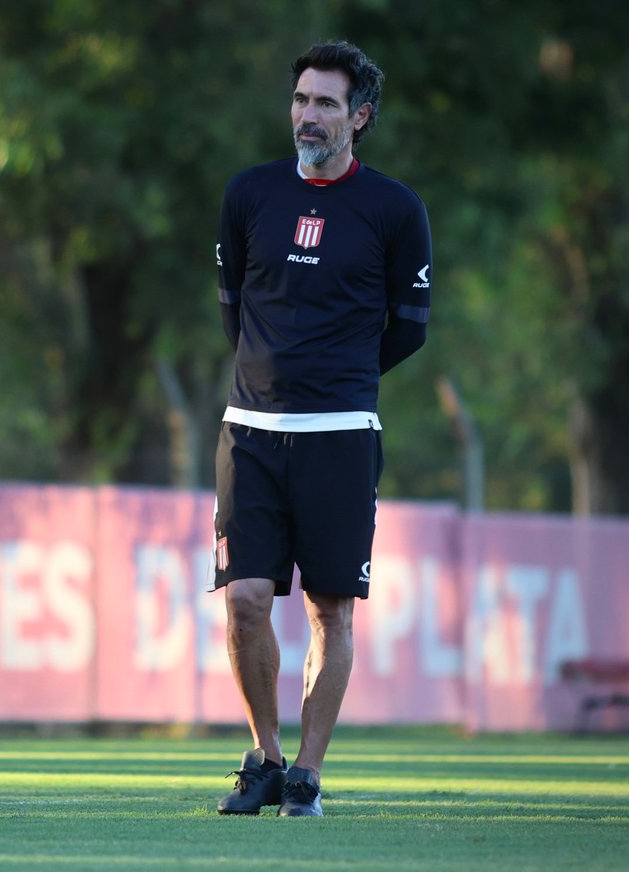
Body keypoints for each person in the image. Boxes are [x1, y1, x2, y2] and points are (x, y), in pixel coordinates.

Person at [210, 40, 432, 817]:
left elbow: (409, 329)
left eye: (326, 103)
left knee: (329, 610)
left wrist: (340, 377)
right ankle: (265, 758)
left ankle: (306, 772)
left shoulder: (395, 210)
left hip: (341, 434)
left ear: (359, 116)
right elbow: (233, 306)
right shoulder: (250, 194)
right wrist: (272, 376)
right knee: (244, 599)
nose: (308, 115)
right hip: (250, 430)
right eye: (301, 99)